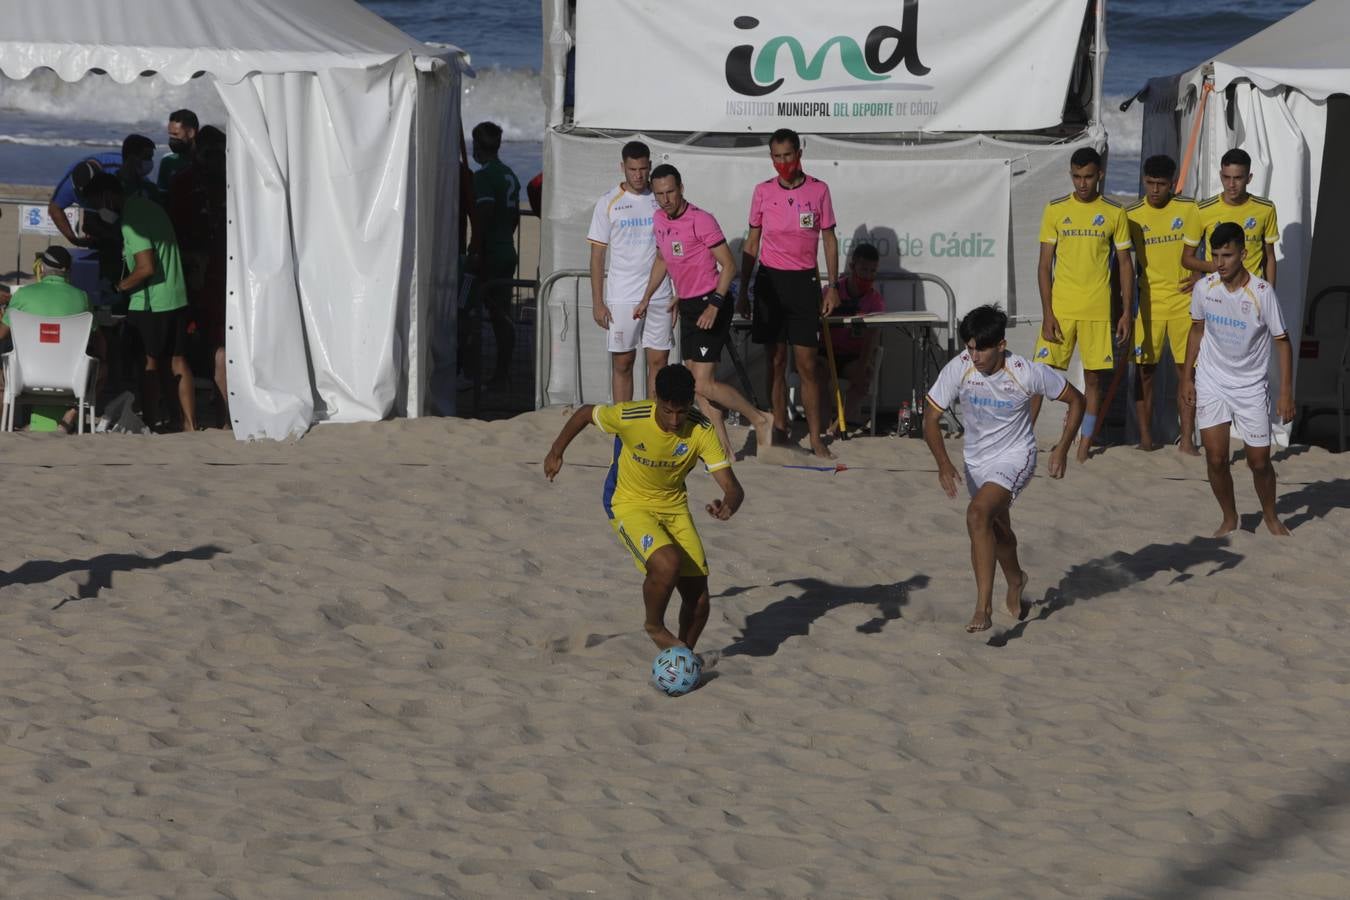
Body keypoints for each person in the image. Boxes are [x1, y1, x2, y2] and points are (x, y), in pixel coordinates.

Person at [544, 363, 744, 654]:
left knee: (699, 601)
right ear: (655, 398)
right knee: (667, 563)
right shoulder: (631, 416)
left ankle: (680, 658)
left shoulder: (701, 429)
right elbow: (586, 413)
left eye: (682, 411)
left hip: (674, 507)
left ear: (691, 402)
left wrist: (729, 504)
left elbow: (733, 487)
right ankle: (654, 626)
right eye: (667, 410)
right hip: (627, 502)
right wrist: (555, 451)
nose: (675, 420)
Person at [923, 305, 1085, 633]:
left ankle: (982, 608)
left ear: (1001, 345)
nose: (974, 355)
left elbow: (1077, 400)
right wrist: (943, 464)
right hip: (976, 461)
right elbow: (930, 418)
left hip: (1015, 457)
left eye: (981, 348)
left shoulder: (1026, 371)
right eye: (969, 347)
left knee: (977, 515)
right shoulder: (960, 367)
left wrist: (1062, 448)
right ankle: (1016, 579)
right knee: (997, 531)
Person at [638, 164, 774, 458]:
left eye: (671, 192)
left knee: (703, 383)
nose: (666, 199)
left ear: (681, 188)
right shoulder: (659, 219)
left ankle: (760, 418)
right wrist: (648, 297)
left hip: (711, 303)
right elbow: (664, 260)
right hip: (688, 305)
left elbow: (729, 265)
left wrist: (714, 303)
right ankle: (724, 449)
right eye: (660, 194)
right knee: (697, 389)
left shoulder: (701, 220)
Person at [1179, 223, 1293, 537]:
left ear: (1243, 254)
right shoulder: (1204, 288)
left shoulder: (1261, 293)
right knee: (1216, 458)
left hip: (1251, 386)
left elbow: (1283, 342)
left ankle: (1270, 516)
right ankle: (1230, 518)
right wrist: (1187, 377)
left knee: (1258, 462)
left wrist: (1286, 393)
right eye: (1214, 255)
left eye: (1226, 255)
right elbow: (1196, 331)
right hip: (1211, 380)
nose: (1219, 262)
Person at [740, 128, 841, 458]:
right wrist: (743, 291)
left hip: (803, 283)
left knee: (807, 364)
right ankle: (779, 426)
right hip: (770, 281)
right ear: (771, 158)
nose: (783, 162)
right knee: (775, 360)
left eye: (788, 155)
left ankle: (814, 436)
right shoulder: (762, 192)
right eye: (777, 157)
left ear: (799, 154)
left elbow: (828, 239)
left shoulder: (819, 190)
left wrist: (833, 286)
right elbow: (752, 242)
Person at [1032, 146, 1134, 462]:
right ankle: (1023, 438)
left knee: (1094, 381)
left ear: (1100, 174)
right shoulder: (1055, 208)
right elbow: (1043, 265)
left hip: (1097, 311)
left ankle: (1084, 444)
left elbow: (1125, 265)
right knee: (1037, 377)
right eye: (1077, 176)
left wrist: (1126, 312)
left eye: (1088, 176)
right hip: (1061, 310)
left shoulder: (1115, 212)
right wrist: (1047, 312)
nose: (1082, 183)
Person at [84, 172, 197, 433]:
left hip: (151, 301)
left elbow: (145, 267)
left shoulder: (130, 221)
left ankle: (150, 421)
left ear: (106, 196)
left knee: (148, 363)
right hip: (176, 294)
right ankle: (188, 422)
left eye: (96, 203)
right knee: (177, 360)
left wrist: (119, 287)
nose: (98, 210)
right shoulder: (149, 206)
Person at [1126, 154, 1202, 454]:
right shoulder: (1131, 214)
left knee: (1188, 372)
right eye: (1149, 183)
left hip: (1184, 301)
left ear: (1173, 184)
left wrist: (1199, 274)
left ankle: (1186, 439)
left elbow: (1201, 248)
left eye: (1161, 184)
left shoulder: (1188, 209)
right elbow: (1122, 262)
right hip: (1149, 305)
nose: (1154, 190)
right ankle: (1146, 439)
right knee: (1145, 373)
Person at [588, 141, 674, 403]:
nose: (638, 175)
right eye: (632, 169)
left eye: (643, 169)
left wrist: (677, 293)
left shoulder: (661, 198)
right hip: (623, 295)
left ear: (650, 166)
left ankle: (652, 426)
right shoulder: (608, 202)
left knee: (658, 363)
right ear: (622, 167)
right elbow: (597, 256)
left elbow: (672, 249)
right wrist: (598, 303)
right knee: (623, 362)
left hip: (659, 294)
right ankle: (623, 430)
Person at [0, 247, 101, 433]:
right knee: (100, 360)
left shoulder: (23, 295)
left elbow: (1, 334)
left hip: (25, 376)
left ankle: (7, 419)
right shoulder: (82, 297)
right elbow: (95, 336)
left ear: (42, 269)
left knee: (5, 352)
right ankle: (71, 414)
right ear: (69, 271)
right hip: (71, 378)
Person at [168, 125, 228, 425]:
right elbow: (175, 229)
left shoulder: (232, 183)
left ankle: (222, 411)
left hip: (220, 272)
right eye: (211, 154)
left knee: (218, 342)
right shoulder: (185, 182)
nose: (217, 160)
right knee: (192, 341)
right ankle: (196, 412)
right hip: (193, 270)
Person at [470, 121, 521, 388]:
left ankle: (496, 373)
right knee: (500, 312)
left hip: (491, 253)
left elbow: (483, 217)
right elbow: (513, 218)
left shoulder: (484, 177)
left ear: (478, 146)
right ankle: (502, 370)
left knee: (487, 312)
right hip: (506, 248)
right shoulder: (510, 174)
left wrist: (475, 249)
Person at [1183, 148, 1278, 287]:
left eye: (1238, 178)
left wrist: (1270, 293)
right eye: (1227, 177)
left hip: (1251, 294)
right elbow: (1186, 259)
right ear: (1221, 176)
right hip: (1217, 293)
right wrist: (1215, 267)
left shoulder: (1266, 209)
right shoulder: (1202, 209)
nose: (1231, 185)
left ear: (1249, 178)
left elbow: (1269, 257)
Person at [819, 242, 884, 429]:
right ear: (852, 267)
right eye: (864, 270)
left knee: (864, 376)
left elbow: (872, 339)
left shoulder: (875, 300)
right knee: (816, 372)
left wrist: (862, 367)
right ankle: (822, 425)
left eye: (873, 271)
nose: (868, 276)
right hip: (827, 353)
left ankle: (839, 426)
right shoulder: (831, 292)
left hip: (852, 357)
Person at [157, 109, 199, 194]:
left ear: (191, 133)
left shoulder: (206, 160)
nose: (171, 139)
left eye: (176, 134)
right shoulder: (168, 161)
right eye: (170, 134)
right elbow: (163, 194)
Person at [119, 134, 160, 204]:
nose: (150, 162)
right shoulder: (111, 187)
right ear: (131, 158)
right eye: (146, 157)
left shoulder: (150, 188)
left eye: (151, 158)